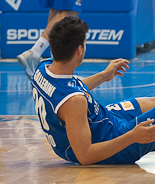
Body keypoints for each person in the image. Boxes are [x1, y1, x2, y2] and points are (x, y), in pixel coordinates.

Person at [31, 15, 155, 165]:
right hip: (114, 143)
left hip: (105, 118)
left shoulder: (43, 69)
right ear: (79, 50)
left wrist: (104, 75)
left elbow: (69, 90)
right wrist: (132, 137)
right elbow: (85, 156)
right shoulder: (74, 102)